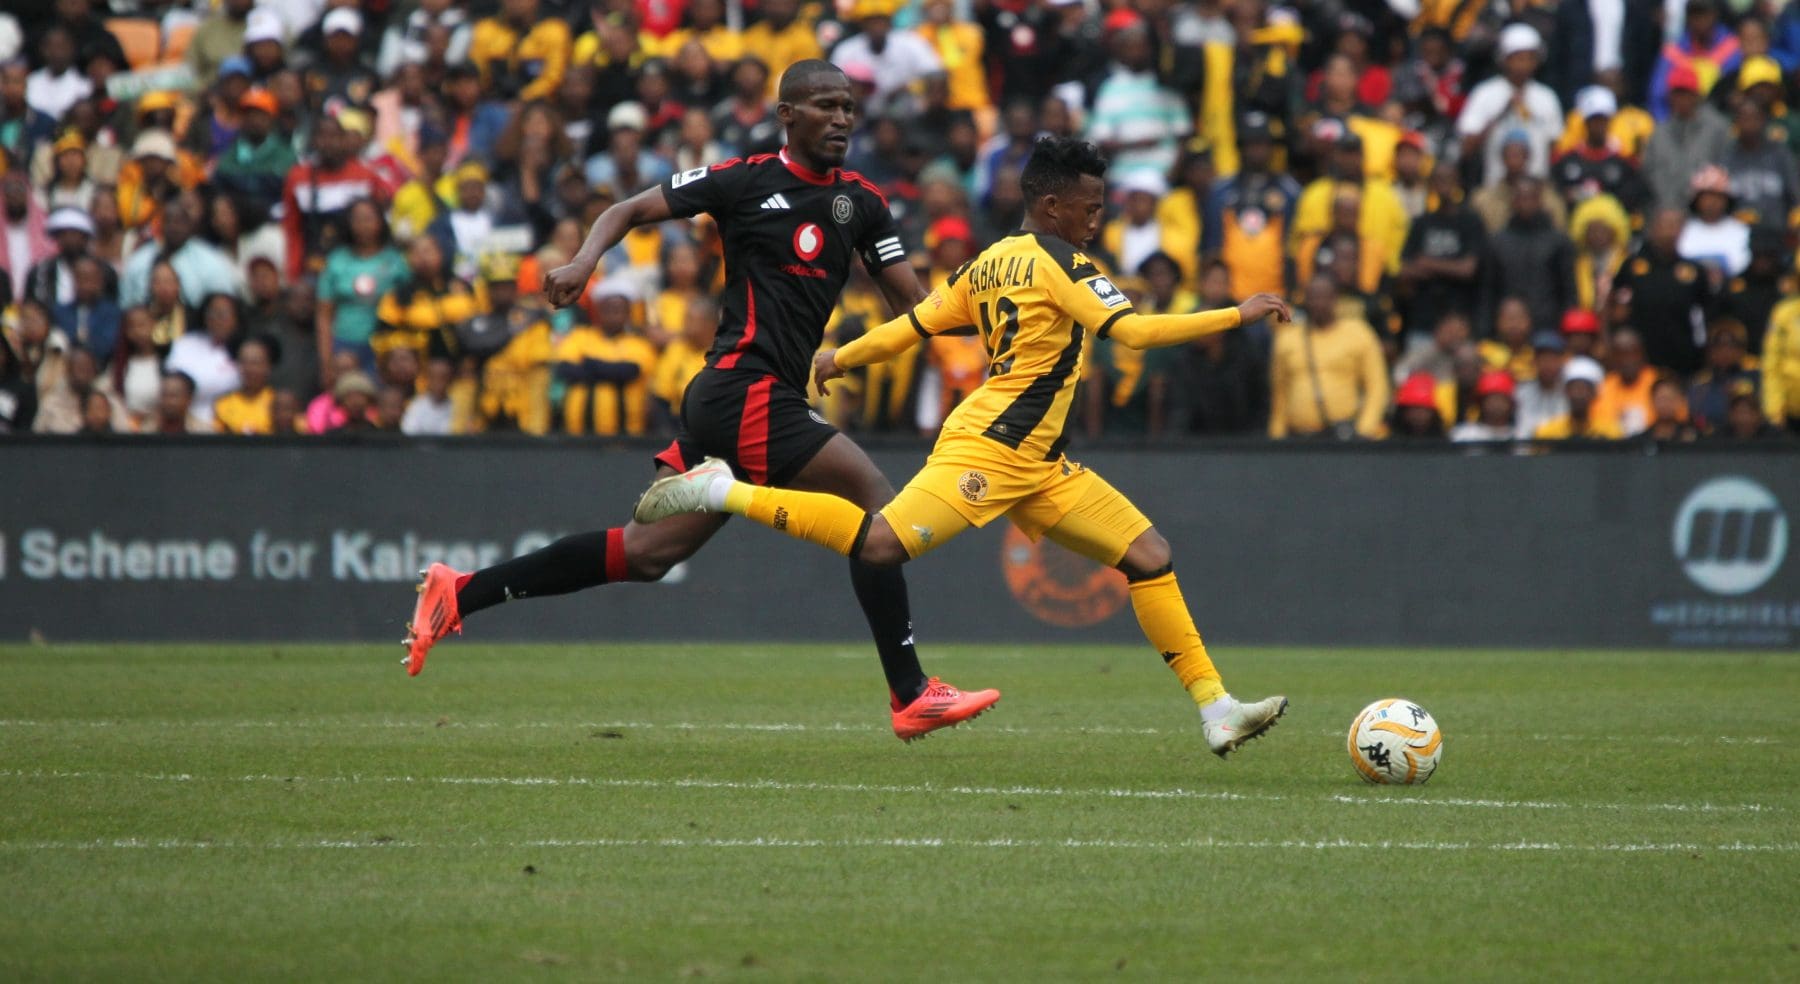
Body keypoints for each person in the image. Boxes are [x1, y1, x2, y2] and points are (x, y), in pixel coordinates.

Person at [634, 137, 1292, 757]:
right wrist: (1237, 313)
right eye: (1089, 207)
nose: (1097, 219)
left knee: (1149, 556)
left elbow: (914, 324)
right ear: (1052, 205)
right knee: (882, 543)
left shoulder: (989, 262)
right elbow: (1135, 334)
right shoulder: (1064, 263)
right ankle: (721, 490)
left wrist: (840, 358)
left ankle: (1216, 708)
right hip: (991, 448)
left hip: (1040, 464)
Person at [403, 60, 996, 742]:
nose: (841, 119)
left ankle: (460, 592)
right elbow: (628, 209)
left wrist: (988, 309)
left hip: (746, 399)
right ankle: (911, 693)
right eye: (826, 105)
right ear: (787, 114)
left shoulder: (861, 202)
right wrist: (584, 262)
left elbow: (914, 306)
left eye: (848, 108)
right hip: (743, 388)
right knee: (876, 502)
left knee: (647, 554)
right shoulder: (744, 180)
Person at [1269, 274, 1389, 440]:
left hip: (1345, 436)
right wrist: (1277, 433)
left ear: (1336, 299)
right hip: (1298, 437)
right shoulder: (1287, 338)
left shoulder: (1359, 333)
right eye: (1313, 297)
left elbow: (1377, 385)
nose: (1319, 303)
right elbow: (1280, 392)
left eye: (1324, 297)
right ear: (1306, 300)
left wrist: (1364, 430)